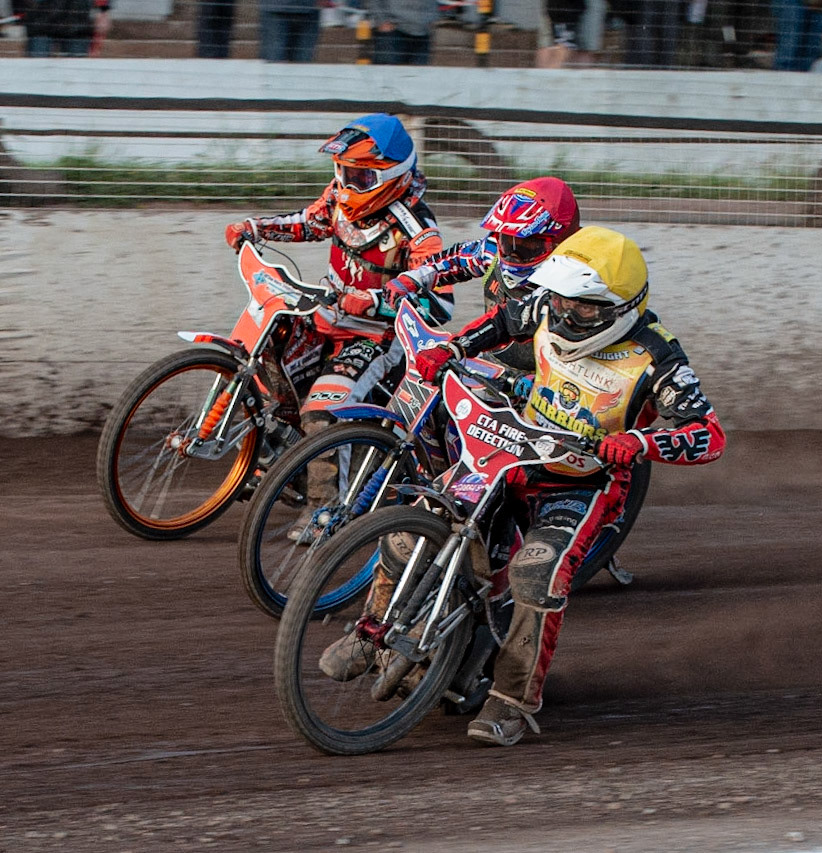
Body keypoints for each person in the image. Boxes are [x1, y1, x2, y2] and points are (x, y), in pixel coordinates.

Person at [324, 226, 727, 746]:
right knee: (409, 530)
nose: (560, 313)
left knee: (536, 573)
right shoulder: (546, 305)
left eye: (580, 307)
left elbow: (709, 435)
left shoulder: (658, 357)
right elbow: (501, 320)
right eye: (557, 299)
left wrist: (641, 443)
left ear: (619, 308)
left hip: (582, 482)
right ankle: (370, 632)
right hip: (513, 447)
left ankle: (513, 701)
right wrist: (454, 348)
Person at [224, 114, 447, 531]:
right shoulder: (339, 197)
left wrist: (376, 301)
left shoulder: (418, 229)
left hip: (378, 337)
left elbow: (438, 305)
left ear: (393, 176)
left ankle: (327, 510)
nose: (348, 185)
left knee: (321, 414)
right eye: (343, 172)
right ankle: (283, 460)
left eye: (361, 177)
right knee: (262, 361)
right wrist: (256, 226)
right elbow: (309, 222)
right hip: (325, 313)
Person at [381, 176, 582, 371]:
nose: (513, 253)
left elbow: (507, 319)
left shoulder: (574, 280)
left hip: (550, 378)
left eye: (528, 245)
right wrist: (415, 277)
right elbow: (458, 259)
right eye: (507, 240)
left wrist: (457, 346)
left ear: (560, 243)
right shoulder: (493, 249)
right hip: (491, 362)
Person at [14, 0, 110, 57]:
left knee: (76, 75)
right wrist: (19, 12)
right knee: (36, 70)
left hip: (77, 21)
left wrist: (103, 10)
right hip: (40, 20)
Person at [773, 0, 822, 71]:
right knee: (790, 47)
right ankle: (784, 78)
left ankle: (804, 77)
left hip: (818, 4)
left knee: (811, 50)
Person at [366, 0, 438, 65]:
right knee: (387, 74)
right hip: (393, 31)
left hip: (422, 32)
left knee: (418, 76)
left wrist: (431, 18)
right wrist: (381, 20)